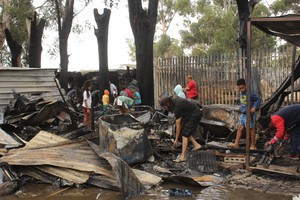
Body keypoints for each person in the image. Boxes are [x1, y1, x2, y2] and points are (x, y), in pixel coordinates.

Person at [159, 96, 202, 163]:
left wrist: (176, 140)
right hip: (189, 114)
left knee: (185, 135)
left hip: (195, 114)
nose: (165, 109)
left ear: (168, 104)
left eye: (165, 107)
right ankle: (197, 145)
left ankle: (183, 157)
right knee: (185, 131)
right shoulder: (174, 102)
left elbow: (178, 126)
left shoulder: (177, 107)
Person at [228, 78, 261, 150]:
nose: (241, 89)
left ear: (246, 86)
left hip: (250, 114)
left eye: (242, 88)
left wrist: (254, 107)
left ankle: (253, 145)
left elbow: (258, 100)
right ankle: (236, 144)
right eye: (240, 88)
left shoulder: (250, 93)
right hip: (243, 113)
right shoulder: (240, 93)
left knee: (251, 129)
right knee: (240, 128)